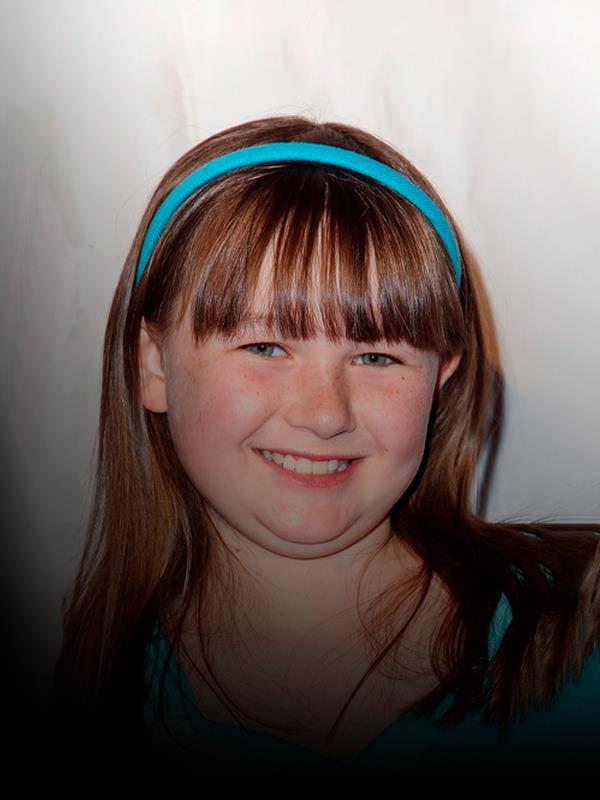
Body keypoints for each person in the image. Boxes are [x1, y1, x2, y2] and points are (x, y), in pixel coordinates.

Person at [51, 115, 600, 789]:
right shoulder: (97, 692)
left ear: (440, 378)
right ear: (154, 364)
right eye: (265, 347)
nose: (324, 414)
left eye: (376, 356)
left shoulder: (582, 633)